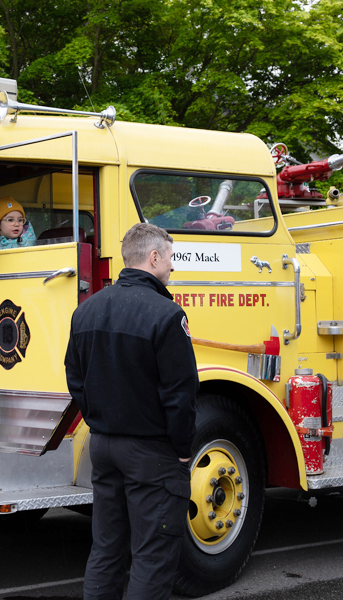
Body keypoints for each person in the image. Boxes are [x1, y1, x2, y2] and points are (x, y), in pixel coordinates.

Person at [64, 222, 198, 600]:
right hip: (151, 454)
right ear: (153, 257)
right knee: (152, 557)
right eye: (170, 258)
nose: (172, 267)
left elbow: (75, 378)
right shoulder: (167, 315)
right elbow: (181, 392)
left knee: (107, 549)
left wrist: (98, 420)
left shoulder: (86, 311)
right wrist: (183, 447)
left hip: (103, 446)